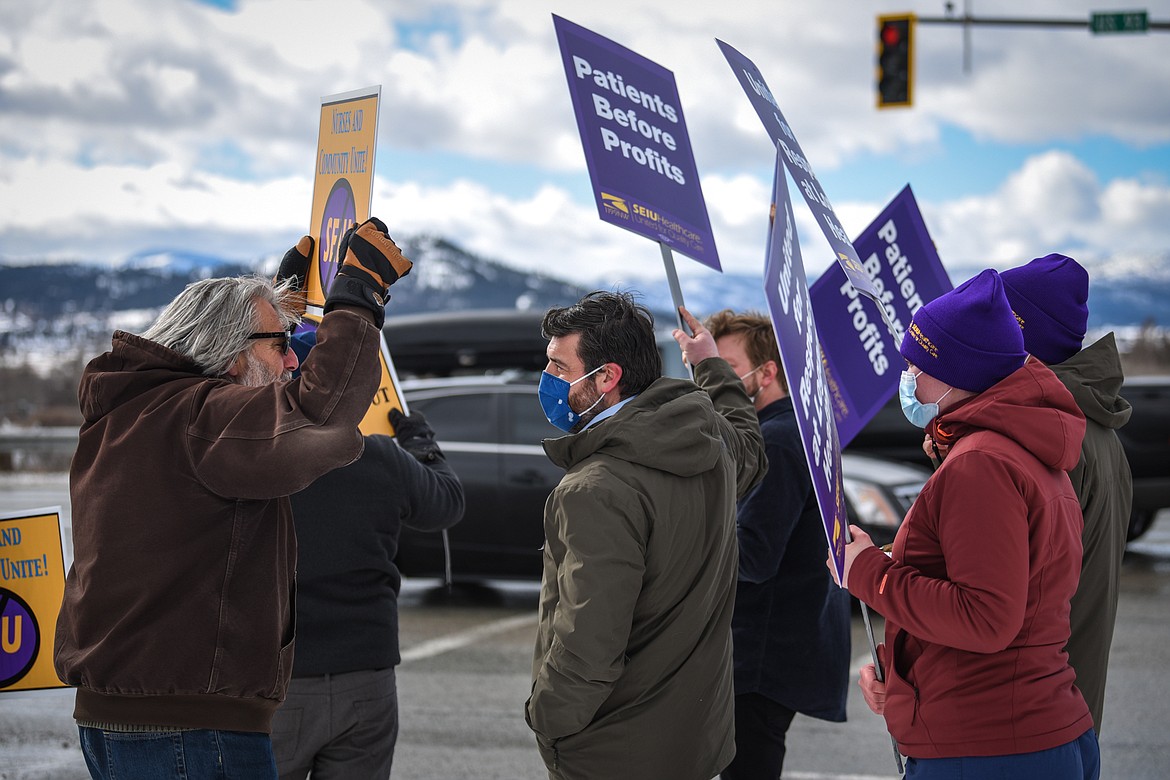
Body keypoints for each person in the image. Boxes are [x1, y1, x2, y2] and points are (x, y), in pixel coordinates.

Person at [54, 217, 413, 779]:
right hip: (187, 722)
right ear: (227, 354)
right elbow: (319, 412)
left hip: (124, 711)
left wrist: (280, 303)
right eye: (280, 346)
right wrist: (358, 298)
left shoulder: (134, 412)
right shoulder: (201, 418)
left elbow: (274, 408)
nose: (293, 360)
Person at [833, 269, 1099, 778]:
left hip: (990, 747)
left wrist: (867, 571)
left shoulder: (983, 463)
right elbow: (1005, 591)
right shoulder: (1019, 450)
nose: (907, 377)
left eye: (917, 365)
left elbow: (985, 616)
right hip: (1014, 730)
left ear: (958, 373)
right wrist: (908, 676)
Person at [524, 292, 767, 780]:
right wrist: (713, 368)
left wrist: (549, 720)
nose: (547, 380)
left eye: (558, 366)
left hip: (615, 749)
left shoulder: (595, 489)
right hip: (696, 739)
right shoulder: (710, 445)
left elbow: (590, 639)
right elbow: (750, 451)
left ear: (607, 377)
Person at [270, 330, 466, 779]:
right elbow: (448, 504)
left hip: (278, 677)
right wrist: (422, 448)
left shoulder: (259, 457)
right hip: (368, 675)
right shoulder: (378, 457)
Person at [705, 310, 850, 780]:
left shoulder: (780, 439)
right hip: (777, 644)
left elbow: (754, 555)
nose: (711, 380)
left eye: (724, 367)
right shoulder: (796, 430)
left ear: (765, 373)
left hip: (763, 653)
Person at [1000, 252, 1133, 734]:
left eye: (997, 316)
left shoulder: (1047, 436)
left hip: (1022, 714)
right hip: (1065, 706)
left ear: (1020, 335)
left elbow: (991, 591)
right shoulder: (1090, 427)